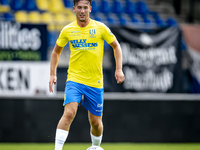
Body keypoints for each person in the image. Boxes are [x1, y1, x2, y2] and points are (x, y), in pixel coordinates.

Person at [49, 0, 125, 149]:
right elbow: (56, 51)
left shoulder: (100, 28)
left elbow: (116, 46)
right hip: (74, 80)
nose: (82, 11)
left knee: (96, 123)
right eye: (79, 8)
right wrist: (52, 74)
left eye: (85, 8)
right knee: (69, 113)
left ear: (90, 9)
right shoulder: (67, 30)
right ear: (74, 9)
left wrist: (119, 69)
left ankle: (95, 147)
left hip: (95, 82)